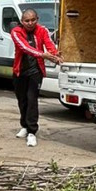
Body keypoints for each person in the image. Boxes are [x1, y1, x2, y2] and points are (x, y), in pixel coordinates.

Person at [11, 9, 62, 147]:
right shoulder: (16, 32)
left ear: (37, 19)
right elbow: (25, 48)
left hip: (35, 72)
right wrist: (43, 55)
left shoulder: (42, 30)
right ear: (22, 21)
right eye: (27, 21)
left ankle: (32, 132)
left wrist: (55, 55)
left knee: (32, 99)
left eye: (33, 20)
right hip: (20, 72)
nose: (30, 23)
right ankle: (25, 126)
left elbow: (49, 45)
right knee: (22, 100)